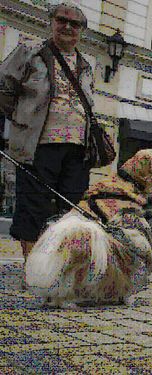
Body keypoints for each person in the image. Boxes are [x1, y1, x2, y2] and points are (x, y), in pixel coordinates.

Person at [0, 2, 93, 263]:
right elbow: (4, 90)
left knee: (70, 210)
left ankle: (59, 267)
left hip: (77, 147)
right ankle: (32, 266)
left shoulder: (85, 66)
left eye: (75, 24)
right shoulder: (30, 53)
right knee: (33, 206)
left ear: (81, 31)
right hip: (39, 143)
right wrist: (22, 119)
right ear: (51, 21)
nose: (67, 27)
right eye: (62, 20)